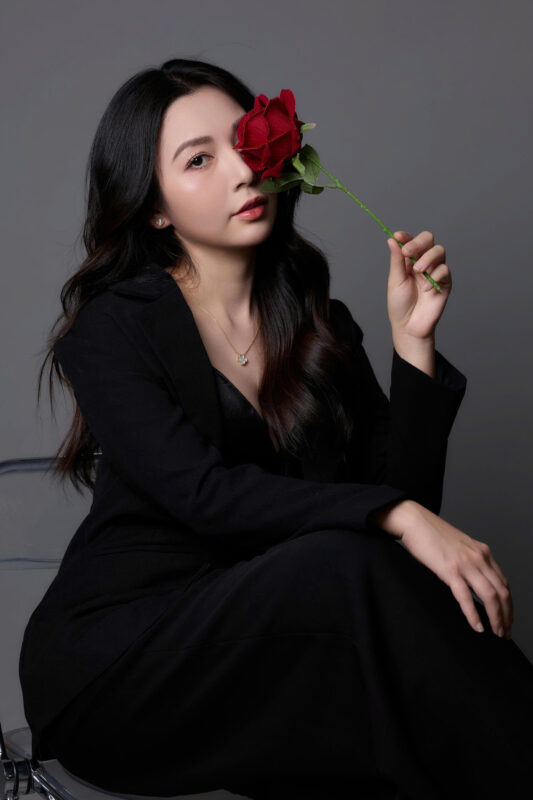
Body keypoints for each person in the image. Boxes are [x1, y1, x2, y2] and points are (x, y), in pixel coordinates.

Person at [19, 58, 533, 800]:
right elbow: (204, 495)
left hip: (275, 647)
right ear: (155, 208)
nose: (241, 172)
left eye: (244, 144)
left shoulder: (319, 324)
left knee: (393, 701)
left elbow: (406, 518)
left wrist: (413, 345)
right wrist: (394, 515)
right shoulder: (111, 330)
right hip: (121, 663)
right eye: (199, 160)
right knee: (346, 567)